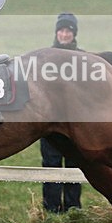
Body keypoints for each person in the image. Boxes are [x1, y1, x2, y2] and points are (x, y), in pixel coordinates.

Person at [40, 13, 82, 212]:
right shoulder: (46, 58)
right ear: (57, 32)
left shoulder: (83, 59)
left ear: (74, 34)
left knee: (76, 165)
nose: (64, 34)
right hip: (50, 123)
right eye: (61, 30)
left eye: (68, 31)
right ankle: (51, 210)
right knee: (51, 165)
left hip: (76, 124)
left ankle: (74, 209)